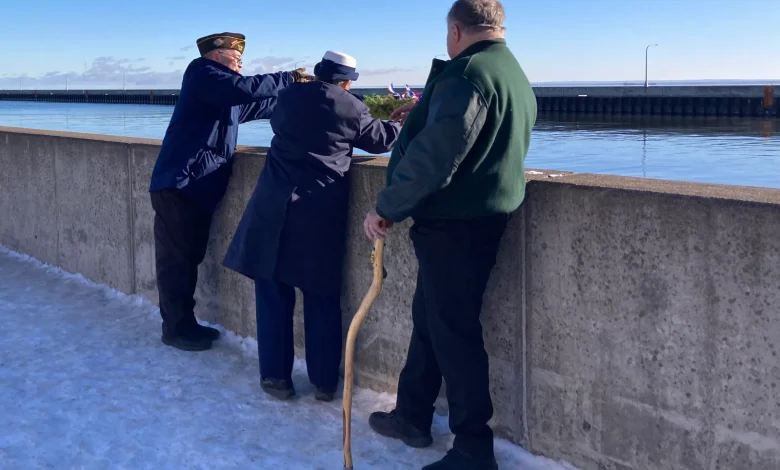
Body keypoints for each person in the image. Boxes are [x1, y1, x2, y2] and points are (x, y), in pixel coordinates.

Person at [362, 1, 537, 469]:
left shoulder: (467, 75)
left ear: (455, 31)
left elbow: (437, 158)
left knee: (454, 332)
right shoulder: (512, 72)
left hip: (455, 226)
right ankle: (412, 416)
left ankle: (473, 448)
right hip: (480, 219)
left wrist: (386, 207)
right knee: (432, 319)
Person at [222, 51, 401, 402]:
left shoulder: (288, 96)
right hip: (317, 211)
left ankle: (276, 377)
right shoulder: (350, 106)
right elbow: (382, 141)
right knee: (320, 296)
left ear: (319, 73)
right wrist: (402, 124)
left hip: (272, 204)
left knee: (272, 291)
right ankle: (323, 382)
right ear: (348, 81)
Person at [149, 32, 313, 352]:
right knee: (176, 263)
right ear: (215, 55)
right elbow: (243, 88)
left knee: (188, 259)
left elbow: (259, 102)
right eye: (234, 55)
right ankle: (175, 329)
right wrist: (288, 76)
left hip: (196, 187)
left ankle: (185, 323)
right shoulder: (202, 73)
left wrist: (301, 93)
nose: (240, 60)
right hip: (180, 184)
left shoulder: (220, 95)